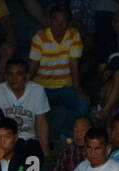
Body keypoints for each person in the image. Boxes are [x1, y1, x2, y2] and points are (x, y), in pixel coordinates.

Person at [30, 3, 88, 146]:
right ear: (50, 21)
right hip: (41, 87)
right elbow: (33, 66)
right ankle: (44, 143)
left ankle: (63, 135)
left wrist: (77, 89)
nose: (59, 25)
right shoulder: (40, 37)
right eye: (56, 21)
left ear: (69, 23)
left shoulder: (74, 35)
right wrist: (25, 86)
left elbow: (74, 64)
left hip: (64, 87)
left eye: (63, 22)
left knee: (83, 105)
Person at [0, 57, 50, 159]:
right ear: (5, 76)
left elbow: (41, 124)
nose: (14, 78)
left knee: (33, 162)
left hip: (30, 141)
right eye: (10, 74)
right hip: (7, 141)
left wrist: (46, 154)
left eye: (19, 74)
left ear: (27, 77)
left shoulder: (37, 90)